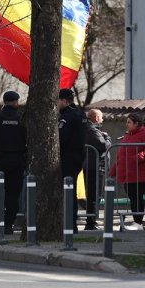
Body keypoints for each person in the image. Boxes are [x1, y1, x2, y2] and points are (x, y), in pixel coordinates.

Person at [0, 91, 27, 235]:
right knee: (13, 194)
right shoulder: (22, 118)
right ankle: (8, 224)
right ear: (16, 102)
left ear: (4, 101)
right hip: (17, 160)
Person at [109, 113, 145, 228]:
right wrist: (113, 171)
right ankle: (138, 220)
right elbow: (121, 156)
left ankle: (138, 222)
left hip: (139, 173)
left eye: (129, 122)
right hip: (128, 173)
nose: (127, 124)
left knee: (136, 197)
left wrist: (138, 157)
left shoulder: (144, 133)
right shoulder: (128, 135)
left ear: (137, 123)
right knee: (133, 196)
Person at [59, 88, 87, 231]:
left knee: (68, 191)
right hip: (78, 156)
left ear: (64, 101)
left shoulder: (68, 116)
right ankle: (71, 223)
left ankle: (70, 224)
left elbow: (61, 137)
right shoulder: (80, 113)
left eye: (58, 101)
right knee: (71, 189)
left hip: (68, 157)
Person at [83, 108, 111, 230]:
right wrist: (108, 138)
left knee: (95, 195)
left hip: (94, 165)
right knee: (94, 195)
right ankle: (91, 222)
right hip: (94, 166)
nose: (103, 119)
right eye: (101, 117)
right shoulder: (91, 129)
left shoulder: (91, 129)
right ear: (96, 118)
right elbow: (102, 145)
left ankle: (91, 221)